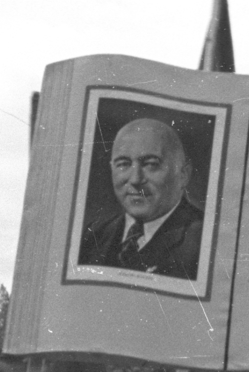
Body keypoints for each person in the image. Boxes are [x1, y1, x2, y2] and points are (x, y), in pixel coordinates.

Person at [77, 118, 205, 280]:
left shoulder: (205, 242)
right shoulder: (93, 235)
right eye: (123, 164)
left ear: (183, 174)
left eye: (151, 164)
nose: (135, 179)